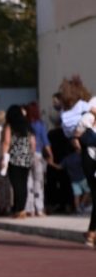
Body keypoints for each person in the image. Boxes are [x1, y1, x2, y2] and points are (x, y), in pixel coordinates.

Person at [59, 75, 96, 248]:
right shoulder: (87, 115)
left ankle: (91, 232)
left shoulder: (79, 114)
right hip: (90, 156)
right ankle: (91, 232)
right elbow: (77, 132)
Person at [2, 105, 36, 219]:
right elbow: (33, 142)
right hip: (26, 156)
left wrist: (4, 157)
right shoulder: (27, 126)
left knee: (16, 184)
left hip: (14, 156)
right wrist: (30, 153)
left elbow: (7, 142)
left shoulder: (10, 126)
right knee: (23, 183)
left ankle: (19, 209)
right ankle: (21, 209)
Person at [25, 102, 51, 216]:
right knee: (39, 182)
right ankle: (39, 208)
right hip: (38, 154)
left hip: (26, 155)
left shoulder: (25, 124)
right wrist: (50, 154)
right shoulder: (40, 124)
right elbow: (45, 141)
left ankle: (29, 208)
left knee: (28, 181)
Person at [50, 149, 90, 214]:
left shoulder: (66, 159)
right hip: (82, 178)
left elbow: (59, 167)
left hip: (73, 180)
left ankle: (77, 209)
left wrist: (52, 163)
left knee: (76, 195)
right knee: (88, 191)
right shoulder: (79, 156)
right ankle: (82, 204)